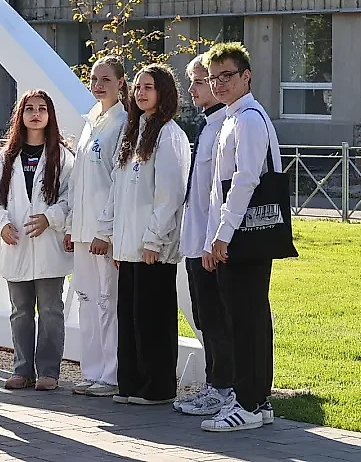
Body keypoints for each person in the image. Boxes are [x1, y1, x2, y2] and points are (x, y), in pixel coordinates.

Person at [92, 63, 190, 406]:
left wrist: (153, 240)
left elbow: (169, 194)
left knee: (154, 319)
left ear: (163, 93)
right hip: (127, 246)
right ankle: (131, 384)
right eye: (138, 88)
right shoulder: (132, 133)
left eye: (148, 87)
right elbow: (117, 191)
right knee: (130, 319)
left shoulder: (169, 134)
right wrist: (109, 234)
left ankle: (158, 388)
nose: (141, 93)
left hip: (152, 249)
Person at [200, 42, 279, 432]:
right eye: (213, 78)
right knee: (248, 316)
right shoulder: (234, 117)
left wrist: (222, 235)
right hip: (237, 234)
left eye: (226, 76)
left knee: (245, 318)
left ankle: (248, 401)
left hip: (243, 235)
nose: (218, 84)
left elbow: (246, 179)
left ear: (246, 76)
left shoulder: (247, 118)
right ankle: (257, 400)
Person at [0, 90, 74, 392]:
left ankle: (49, 370)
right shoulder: (5, 158)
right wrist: (1, 224)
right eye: (29, 109)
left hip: (49, 246)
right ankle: (21, 368)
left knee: (50, 310)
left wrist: (51, 217)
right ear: (20, 116)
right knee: (20, 310)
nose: (36, 114)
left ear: (50, 116)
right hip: (17, 244)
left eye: (42, 109)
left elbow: (70, 198)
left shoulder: (63, 157)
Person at [172, 55, 233, 417]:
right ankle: (216, 383)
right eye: (193, 81)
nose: (193, 89)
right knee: (204, 314)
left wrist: (212, 241)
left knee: (215, 316)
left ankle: (223, 386)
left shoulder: (226, 124)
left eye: (199, 81)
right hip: (196, 239)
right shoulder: (208, 125)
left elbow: (221, 192)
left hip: (209, 242)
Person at [65, 56, 128, 397]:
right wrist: (72, 226)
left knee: (108, 302)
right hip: (83, 231)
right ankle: (91, 371)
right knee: (87, 302)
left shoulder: (122, 124)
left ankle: (111, 374)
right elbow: (77, 181)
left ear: (121, 82)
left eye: (106, 78)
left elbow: (118, 182)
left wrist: (106, 232)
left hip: (105, 233)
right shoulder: (90, 122)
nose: (99, 84)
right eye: (94, 78)